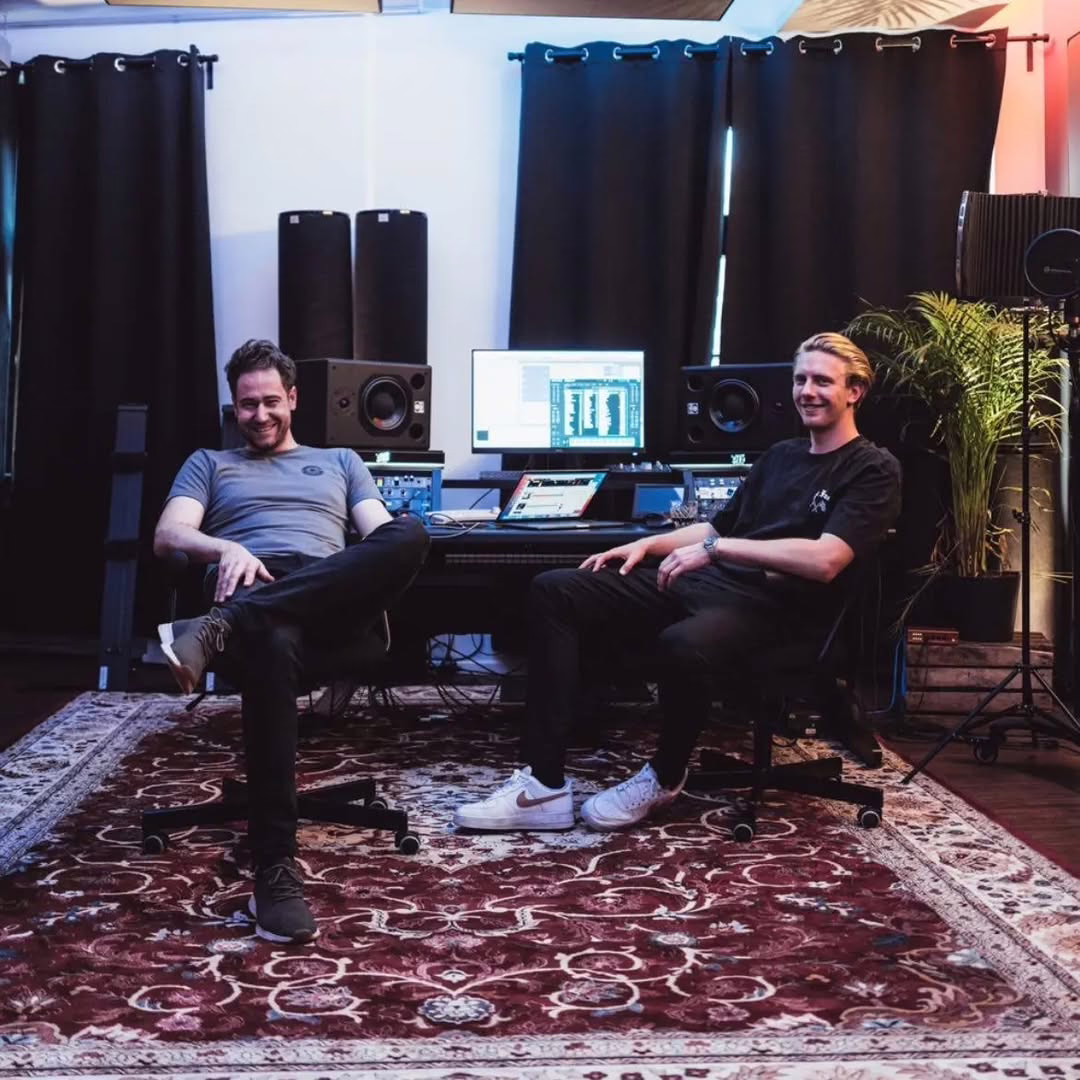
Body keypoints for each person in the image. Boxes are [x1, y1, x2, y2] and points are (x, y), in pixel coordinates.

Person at [454, 332, 901, 833]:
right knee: (557, 589)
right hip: (716, 587)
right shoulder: (781, 456)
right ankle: (543, 786)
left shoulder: (873, 468)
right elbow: (716, 528)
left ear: (854, 391)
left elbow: (825, 560)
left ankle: (665, 774)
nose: (808, 391)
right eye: (801, 380)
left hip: (783, 612)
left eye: (822, 381)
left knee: (682, 644)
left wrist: (717, 551)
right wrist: (647, 545)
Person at [154, 339, 430, 945]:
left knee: (411, 533)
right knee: (273, 643)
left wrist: (362, 568)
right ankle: (275, 870)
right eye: (247, 405)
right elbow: (169, 535)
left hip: (329, 599)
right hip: (253, 584)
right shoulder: (208, 463)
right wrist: (226, 547)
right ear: (234, 406)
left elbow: (382, 537)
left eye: (271, 402)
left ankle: (220, 626)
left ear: (294, 399)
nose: (259, 415)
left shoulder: (342, 462)